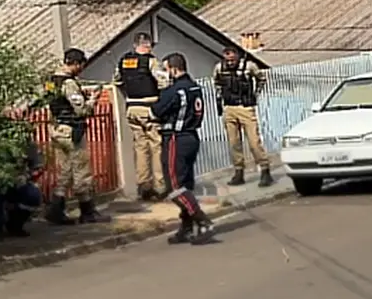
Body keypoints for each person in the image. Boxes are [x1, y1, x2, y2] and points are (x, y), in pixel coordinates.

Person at [151, 52, 215, 244]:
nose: (165, 73)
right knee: (186, 184)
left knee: (175, 186)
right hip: (192, 137)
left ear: (173, 69)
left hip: (175, 139)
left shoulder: (175, 90)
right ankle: (186, 227)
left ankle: (203, 220)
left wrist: (162, 91)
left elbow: (156, 111)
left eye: (166, 69)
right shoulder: (195, 87)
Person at [44, 48, 108, 225]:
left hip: (57, 129)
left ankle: (56, 209)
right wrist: (93, 99)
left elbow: (57, 101)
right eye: (81, 65)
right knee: (81, 171)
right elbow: (81, 110)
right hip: (71, 131)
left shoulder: (51, 81)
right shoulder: (69, 83)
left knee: (65, 171)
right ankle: (87, 211)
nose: (81, 69)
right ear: (76, 64)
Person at [113, 32, 170, 201]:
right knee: (156, 147)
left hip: (132, 108)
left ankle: (143, 186)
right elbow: (164, 82)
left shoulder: (123, 61)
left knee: (140, 147)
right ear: (148, 45)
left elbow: (117, 81)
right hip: (149, 108)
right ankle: (160, 187)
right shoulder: (151, 61)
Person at [213, 46, 273, 187]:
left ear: (237, 56)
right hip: (229, 107)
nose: (230, 62)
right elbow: (217, 84)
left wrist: (254, 96)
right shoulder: (219, 68)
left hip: (245, 107)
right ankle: (238, 171)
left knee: (254, 142)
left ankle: (265, 169)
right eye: (227, 58)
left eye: (232, 58)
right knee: (234, 143)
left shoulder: (248, 66)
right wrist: (220, 100)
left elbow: (261, 79)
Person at [0, 140, 45, 237]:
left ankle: (15, 225)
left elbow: (39, 167)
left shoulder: (28, 144)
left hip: (18, 183)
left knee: (33, 195)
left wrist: (27, 176)